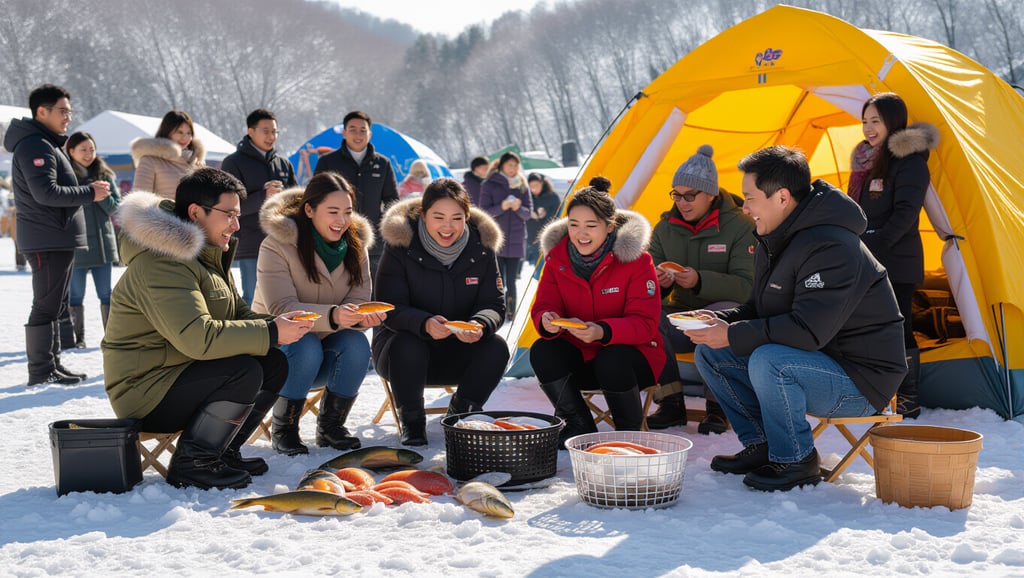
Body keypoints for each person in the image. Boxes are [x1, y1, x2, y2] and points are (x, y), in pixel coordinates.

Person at [690, 146, 907, 492]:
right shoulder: (776, 238)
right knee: (711, 353)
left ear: (782, 197)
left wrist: (732, 334)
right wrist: (718, 321)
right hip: (818, 362)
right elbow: (762, 310)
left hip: (862, 380)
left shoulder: (832, 245)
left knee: (768, 359)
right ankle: (763, 446)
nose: (744, 208)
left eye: (750, 198)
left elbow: (807, 332)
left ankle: (795, 459)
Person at [102, 168, 313, 490]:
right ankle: (194, 463)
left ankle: (222, 451)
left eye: (238, 215)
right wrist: (272, 333)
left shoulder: (206, 257)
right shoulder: (163, 263)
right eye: (228, 215)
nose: (236, 225)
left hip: (182, 373)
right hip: (145, 392)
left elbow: (237, 314)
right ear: (195, 212)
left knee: (272, 363)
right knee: (243, 370)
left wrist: (277, 326)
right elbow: (198, 338)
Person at [252, 173, 384, 454]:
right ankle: (284, 429)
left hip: (327, 350)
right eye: (332, 212)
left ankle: (331, 426)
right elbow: (281, 308)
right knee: (306, 342)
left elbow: (359, 299)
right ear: (309, 210)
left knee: (357, 344)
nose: (341, 220)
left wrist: (362, 317)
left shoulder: (355, 248)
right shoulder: (276, 245)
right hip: (278, 352)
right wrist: (335, 315)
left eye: (347, 212)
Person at [372, 177, 509, 446]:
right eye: (438, 217)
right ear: (423, 215)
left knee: (496, 347)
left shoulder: (481, 248)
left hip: (459, 348)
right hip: (403, 354)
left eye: (456, 218)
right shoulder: (401, 246)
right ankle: (412, 421)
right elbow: (388, 307)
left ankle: (461, 415)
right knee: (408, 343)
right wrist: (424, 323)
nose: (448, 227)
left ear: (467, 217)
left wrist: (480, 324)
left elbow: (494, 304)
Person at [530, 177, 665, 448]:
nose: (581, 234)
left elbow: (645, 324)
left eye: (591, 226)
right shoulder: (557, 260)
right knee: (541, 350)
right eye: (574, 225)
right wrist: (547, 320)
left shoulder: (637, 261)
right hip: (580, 356)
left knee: (611, 357)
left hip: (631, 361)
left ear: (610, 227)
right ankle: (579, 425)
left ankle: (628, 430)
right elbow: (544, 304)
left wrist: (603, 331)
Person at [644, 145, 756, 435]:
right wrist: (659, 282)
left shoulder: (741, 226)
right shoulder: (664, 228)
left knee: (713, 319)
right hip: (682, 314)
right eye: (676, 195)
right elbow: (642, 282)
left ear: (710, 194)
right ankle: (670, 403)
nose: (682, 202)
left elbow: (748, 288)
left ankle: (718, 408)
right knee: (648, 320)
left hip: (727, 312)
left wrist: (699, 280)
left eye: (690, 195)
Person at [4, 84, 110, 386]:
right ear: (42, 111)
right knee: (46, 303)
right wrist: (89, 192)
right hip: (46, 237)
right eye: (63, 111)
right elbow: (46, 193)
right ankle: (40, 369)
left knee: (54, 303)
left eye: (69, 111)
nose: (68, 117)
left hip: (54, 236)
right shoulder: (35, 145)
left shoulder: (44, 143)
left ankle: (52, 364)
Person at [849, 93, 938, 419]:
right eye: (865, 121)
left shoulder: (910, 161)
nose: (868, 128)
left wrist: (874, 243)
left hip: (897, 260)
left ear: (893, 121)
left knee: (899, 325)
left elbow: (905, 214)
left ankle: (908, 397)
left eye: (876, 121)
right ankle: (877, 390)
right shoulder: (863, 159)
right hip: (867, 258)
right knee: (869, 326)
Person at [220, 108, 297, 305]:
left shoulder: (283, 164)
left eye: (274, 132)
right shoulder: (233, 162)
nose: (271, 136)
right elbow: (229, 207)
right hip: (251, 243)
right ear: (251, 131)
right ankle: (250, 335)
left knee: (283, 299)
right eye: (266, 131)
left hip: (283, 242)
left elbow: (296, 201)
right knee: (252, 299)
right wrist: (264, 195)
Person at [313, 111, 398, 279]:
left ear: (370, 134)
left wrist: (385, 229)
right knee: (340, 296)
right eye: (352, 129)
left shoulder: (383, 164)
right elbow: (315, 198)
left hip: (374, 245)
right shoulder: (327, 162)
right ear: (344, 132)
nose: (358, 134)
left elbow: (392, 201)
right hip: (335, 242)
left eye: (362, 130)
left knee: (374, 297)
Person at [66, 131, 121, 348]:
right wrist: (86, 192)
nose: (89, 154)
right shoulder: (65, 176)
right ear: (71, 151)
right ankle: (76, 338)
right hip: (76, 245)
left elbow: (115, 207)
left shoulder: (105, 175)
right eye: (83, 149)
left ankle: (112, 336)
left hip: (102, 244)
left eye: (92, 149)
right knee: (75, 295)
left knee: (106, 294)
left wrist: (99, 195)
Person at [480, 152, 532, 321]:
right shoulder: (489, 184)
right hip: (496, 239)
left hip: (516, 240)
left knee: (512, 280)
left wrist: (518, 208)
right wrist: (502, 207)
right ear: (502, 166)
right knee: (497, 279)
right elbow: (484, 212)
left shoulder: (523, 185)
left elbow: (528, 213)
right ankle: (497, 310)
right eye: (510, 165)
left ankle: (511, 311)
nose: (513, 169)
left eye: (516, 165)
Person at [131, 110, 205, 200]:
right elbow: (139, 201)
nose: (185, 138)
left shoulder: (197, 162)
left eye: (189, 133)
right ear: (167, 132)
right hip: (160, 214)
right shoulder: (149, 160)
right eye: (179, 132)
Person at [525, 172, 560, 267]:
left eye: (536, 185)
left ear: (542, 183)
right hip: (531, 237)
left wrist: (545, 215)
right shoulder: (527, 197)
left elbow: (558, 216)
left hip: (548, 237)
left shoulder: (552, 197)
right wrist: (530, 214)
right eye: (531, 186)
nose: (534, 189)